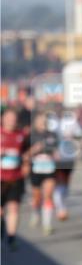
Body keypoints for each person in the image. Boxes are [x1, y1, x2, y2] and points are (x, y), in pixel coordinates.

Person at [1, 107, 30, 250]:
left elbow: (26, 152)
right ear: (3, 119)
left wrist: (26, 163)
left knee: (14, 207)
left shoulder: (21, 135)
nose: (11, 122)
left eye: (14, 119)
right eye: (9, 119)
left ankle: (11, 238)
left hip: (15, 177)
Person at [27, 111, 59, 236]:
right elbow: (24, 155)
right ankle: (35, 213)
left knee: (48, 195)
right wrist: (34, 150)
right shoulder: (30, 135)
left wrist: (56, 155)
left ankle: (47, 224)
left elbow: (56, 150)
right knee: (37, 197)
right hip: (35, 169)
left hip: (49, 169)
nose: (42, 122)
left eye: (44, 120)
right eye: (39, 120)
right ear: (35, 122)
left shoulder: (52, 135)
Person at [52, 107, 82, 221]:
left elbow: (80, 133)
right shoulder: (52, 123)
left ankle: (61, 202)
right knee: (58, 181)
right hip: (57, 157)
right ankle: (60, 208)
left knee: (66, 182)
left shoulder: (71, 122)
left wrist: (72, 136)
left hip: (69, 156)